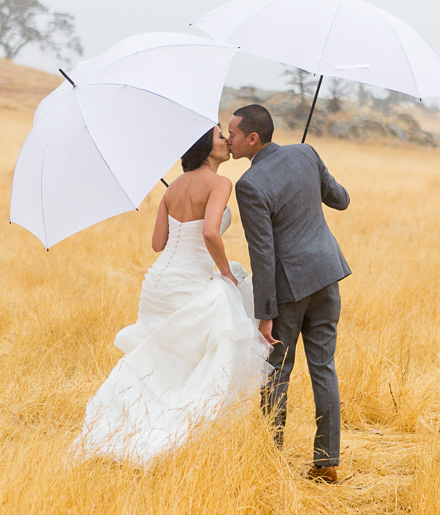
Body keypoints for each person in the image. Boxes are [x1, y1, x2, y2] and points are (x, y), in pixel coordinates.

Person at [71, 125, 270, 466]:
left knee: (155, 362)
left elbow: (157, 244)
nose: (226, 140)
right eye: (220, 135)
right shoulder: (222, 184)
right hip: (190, 283)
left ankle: (121, 431)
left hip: (158, 284)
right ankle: (165, 440)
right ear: (206, 147)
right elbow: (210, 231)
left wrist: (179, 207)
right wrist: (224, 271)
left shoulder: (172, 188)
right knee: (194, 363)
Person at [227, 104, 350, 484]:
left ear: (252, 138)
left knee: (276, 372)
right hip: (328, 276)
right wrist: (311, 173)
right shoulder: (306, 153)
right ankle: (327, 462)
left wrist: (265, 313)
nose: (226, 139)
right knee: (323, 368)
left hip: (291, 289)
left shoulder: (250, 186)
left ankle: (268, 459)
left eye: (231, 133)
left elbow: (262, 255)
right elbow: (340, 199)